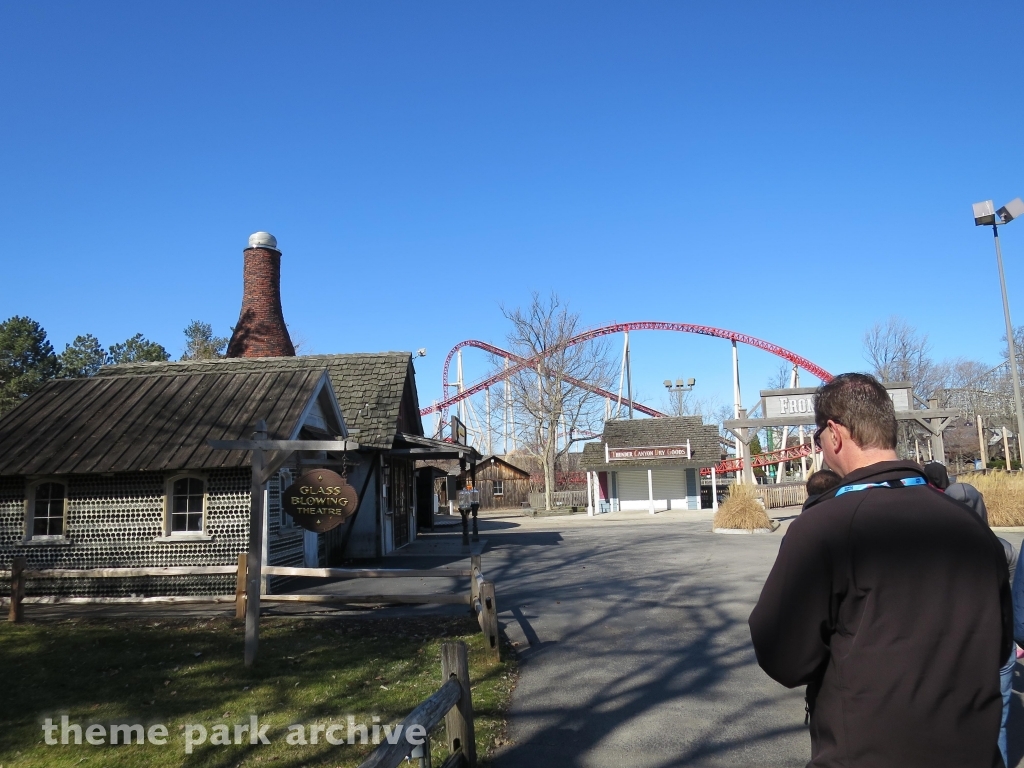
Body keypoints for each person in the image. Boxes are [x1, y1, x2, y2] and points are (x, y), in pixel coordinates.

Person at [749, 373, 1012, 768]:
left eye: (818, 436)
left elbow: (783, 657)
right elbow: (1000, 645)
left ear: (835, 434)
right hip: (972, 751)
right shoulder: (971, 525)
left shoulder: (822, 527)